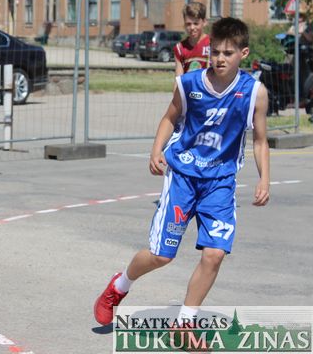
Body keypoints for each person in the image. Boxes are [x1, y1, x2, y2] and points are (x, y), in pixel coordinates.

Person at [94, 18, 270, 334]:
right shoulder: (189, 84)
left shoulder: (255, 93)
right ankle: (119, 286)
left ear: (243, 53)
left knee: (215, 254)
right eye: (216, 51)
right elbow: (169, 117)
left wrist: (264, 179)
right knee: (161, 256)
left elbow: (259, 140)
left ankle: (184, 323)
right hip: (183, 177)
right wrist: (156, 150)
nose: (220, 59)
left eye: (228, 53)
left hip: (220, 182)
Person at [174, 2, 210, 76]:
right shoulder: (180, 48)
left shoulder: (212, 44)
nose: (192, 27)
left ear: (204, 22)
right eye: (188, 24)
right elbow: (179, 79)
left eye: (196, 23)